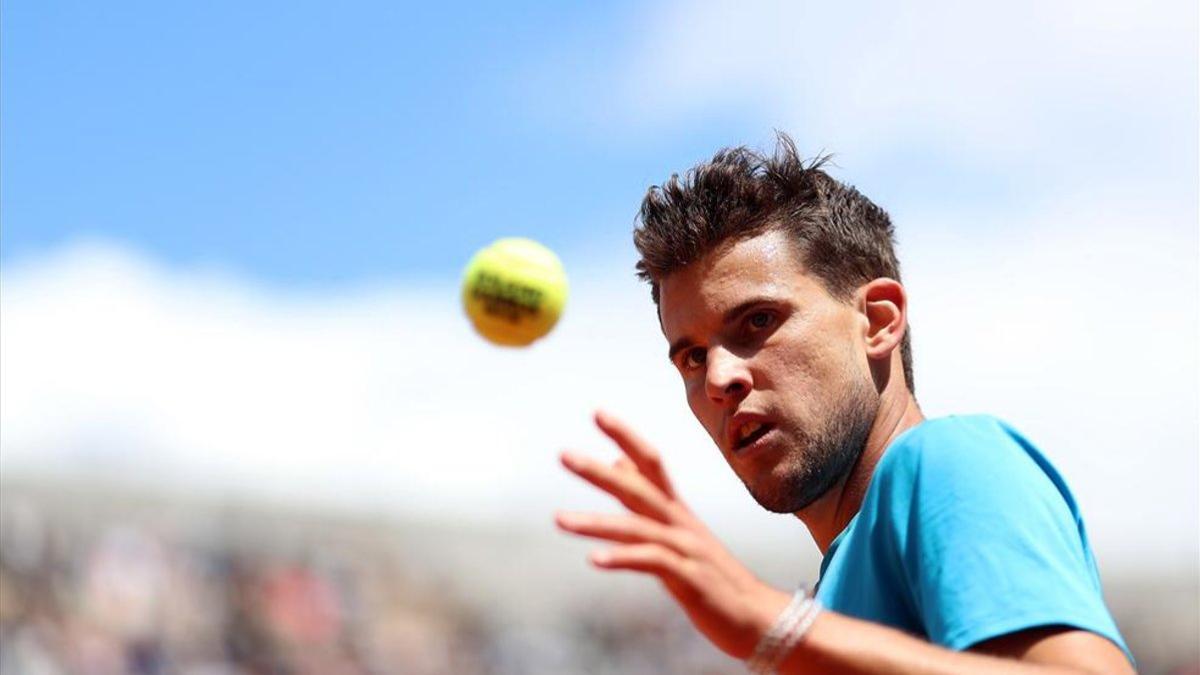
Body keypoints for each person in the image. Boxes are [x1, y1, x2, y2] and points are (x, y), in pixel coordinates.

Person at [555, 134, 1136, 674]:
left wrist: (773, 624)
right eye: (693, 358)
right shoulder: (834, 608)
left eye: (759, 321)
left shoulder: (945, 461)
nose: (719, 379)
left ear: (877, 322)